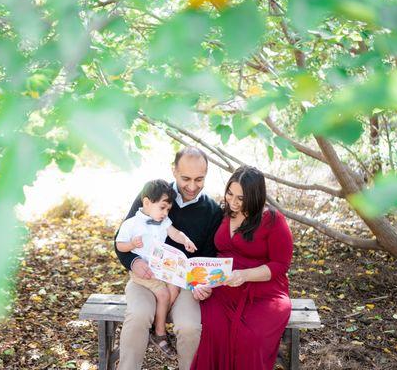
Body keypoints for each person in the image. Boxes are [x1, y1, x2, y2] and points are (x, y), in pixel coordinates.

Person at [115, 147, 223, 370]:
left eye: (199, 179)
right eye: (185, 178)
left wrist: (203, 284)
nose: (192, 186)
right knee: (137, 316)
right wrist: (134, 262)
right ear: (174, 171)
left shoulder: (212, 210)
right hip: (147, 278)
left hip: (184, 285)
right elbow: (121, 240)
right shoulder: (154, 194)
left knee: (190, 327)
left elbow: (209, 256)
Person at [191, 165, 293, 370]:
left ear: (255, 197)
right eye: (230, 193)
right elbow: (208, 253)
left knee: (250, 338)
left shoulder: (273, 220)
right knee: (213, 331)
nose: (233, 201)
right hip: (223, 289)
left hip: (264, 292)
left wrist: (245, 275)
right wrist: (200, 281)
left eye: (241, 198)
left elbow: (281, 265)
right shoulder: (222, 214)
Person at [115, 179, 198, 356]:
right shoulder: (131, 224)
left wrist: (185, 240)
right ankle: (160, 333)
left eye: (168, 209)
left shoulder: (163, 221)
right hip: (144, 272)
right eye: (162, 208)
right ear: (146, 202)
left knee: (174, 286)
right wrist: (131, 245)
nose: (165, 213)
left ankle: (156, 321)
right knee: (163, 293)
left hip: (160, 269)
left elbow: (174, 233)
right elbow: (119, 245)